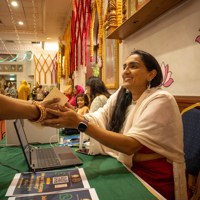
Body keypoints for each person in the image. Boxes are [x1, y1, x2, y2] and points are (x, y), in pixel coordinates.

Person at [41, 50, 187, 200]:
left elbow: (130, 146)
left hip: (152, 176)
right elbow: (98, 117)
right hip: (126, 166)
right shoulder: (122, 95)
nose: (125, 71)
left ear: (151, 74)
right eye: (124, 67)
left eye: (133, 66)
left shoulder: (161, 99)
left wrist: (79, 122)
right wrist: (71, 113)